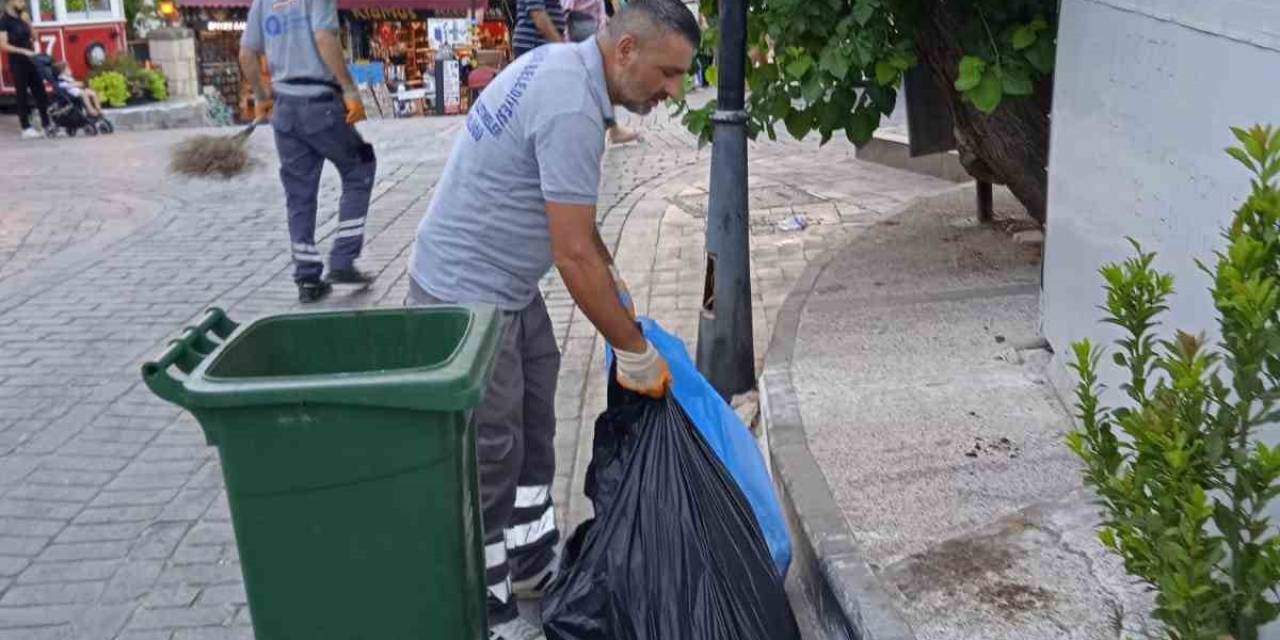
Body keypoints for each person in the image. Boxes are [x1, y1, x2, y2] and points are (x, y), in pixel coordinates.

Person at [406, 0, 697, 637]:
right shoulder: (570, 105)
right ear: (626, 51)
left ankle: (533, 563)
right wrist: (632, 348)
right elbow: (569, 253)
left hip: (505, 284)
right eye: (668, 73)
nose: (671, 93)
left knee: (534, 426)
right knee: (489, 454)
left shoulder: (565, 70)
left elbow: (578, 224)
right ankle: (483, 604)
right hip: (465, 297)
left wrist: (619, 292)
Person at [238, 0, 376, 303]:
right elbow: (324, 37)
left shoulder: (263, 3)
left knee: (299, 193)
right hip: (320, 104)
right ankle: (342, 259)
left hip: (284, 109)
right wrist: (349, 89)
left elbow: (246, 54)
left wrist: (261, 97)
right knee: (360, 166)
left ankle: (307, 277)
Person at [562, 0, 640, 144]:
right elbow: (566, 11)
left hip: (595, 38)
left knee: (604, 81)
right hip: (582, 41)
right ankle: (602, 128)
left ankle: (612, 128)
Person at [0, 0, 51, 139]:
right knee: (21, 93)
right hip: (17, 61)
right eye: (19, 0)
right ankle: (25, 128)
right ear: (10, 2)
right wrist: (22, 51)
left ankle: (46, 124)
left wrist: (29, 23)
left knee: (40, 91)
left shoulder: (24, 17)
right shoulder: (4, 21)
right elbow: (3, 45)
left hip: (31, 59)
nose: (22, 2)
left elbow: (34, 37)